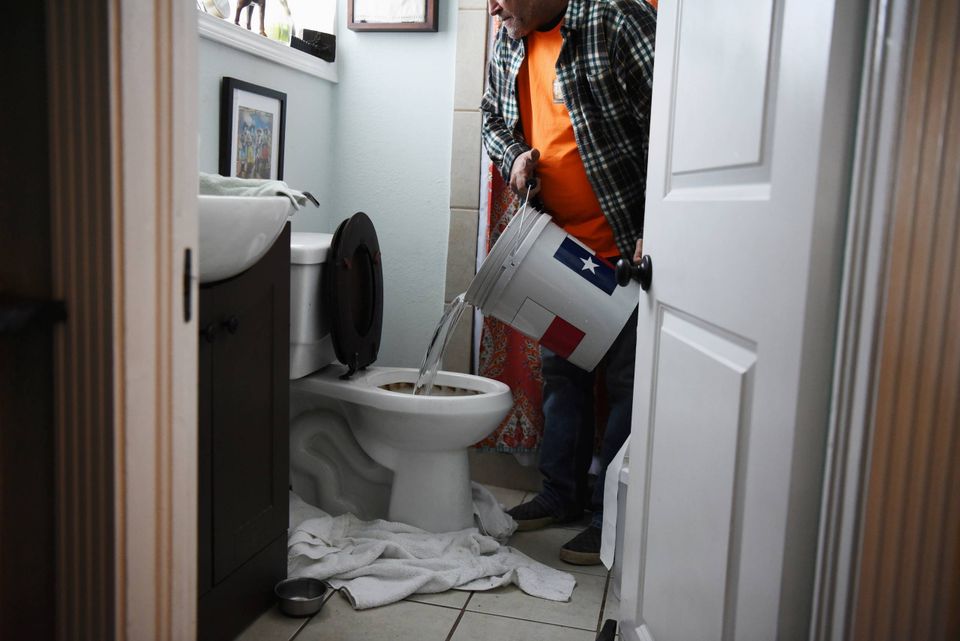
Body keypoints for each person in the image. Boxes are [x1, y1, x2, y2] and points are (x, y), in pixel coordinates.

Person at [480, 0, 655, 565]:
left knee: (629, 388)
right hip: (558, 250)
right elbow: (491, 117)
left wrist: (659, 226)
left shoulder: (616, 18)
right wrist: (513, 157)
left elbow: (675, 125)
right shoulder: (512, 36)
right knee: (563, 379)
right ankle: (562, 494)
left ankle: (610, 519)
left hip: (628, 249)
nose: (493, 8)